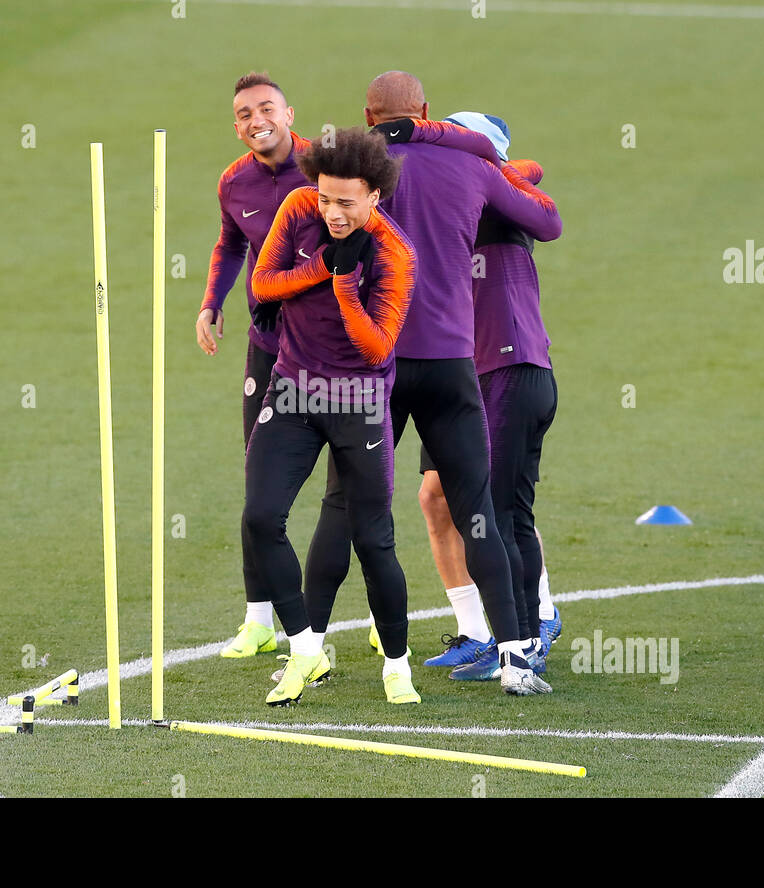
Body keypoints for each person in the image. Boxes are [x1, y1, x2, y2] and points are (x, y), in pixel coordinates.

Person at [301, 71, 562, 696]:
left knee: (344, 504)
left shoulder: (350, 181)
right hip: (451, 363)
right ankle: (516, 655)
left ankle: (306, 646)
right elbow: (545, 220)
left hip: (377, 361)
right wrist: (465, 146)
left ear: (367, 113)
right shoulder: (470, 167)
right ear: (425, 110)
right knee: (480, 510)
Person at [245, 127, 419, 706]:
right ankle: (304, 650)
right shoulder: (298, 209)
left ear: (375, 196)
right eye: (326, 198)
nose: (333, 211)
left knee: (374, 541)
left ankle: (397, 665)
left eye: (347, 201)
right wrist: (324, 267)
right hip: (292, 392)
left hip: (359, 402)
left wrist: (345, 288)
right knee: (261, 517)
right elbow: (264, 284)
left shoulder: (395, 253)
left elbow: (377, 348)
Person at [413, 113, 563, 681]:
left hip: (507, 367)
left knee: (496, 511)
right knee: (437, 498)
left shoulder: (496, 205)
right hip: (457, 370)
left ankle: (532, 624)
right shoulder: (460, 193)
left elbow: (528, 177)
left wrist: (500, 168)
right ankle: (479, 631)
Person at [193, 72, 313, 660]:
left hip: (335, 353)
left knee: (355, 492)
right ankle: (259, 619)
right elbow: (230, 242)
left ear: (290, 114)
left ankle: (375, 617)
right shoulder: (233, 181)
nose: (255, 120)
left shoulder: (329, 168)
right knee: (258, 483)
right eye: (244, 114)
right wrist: (212, 303)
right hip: (267, 347)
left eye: (266, 108)